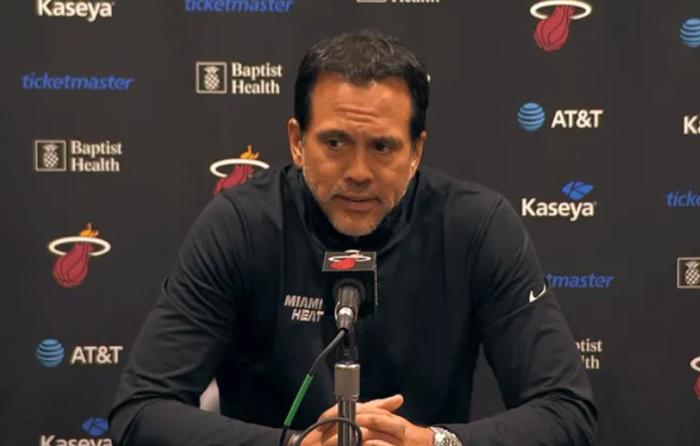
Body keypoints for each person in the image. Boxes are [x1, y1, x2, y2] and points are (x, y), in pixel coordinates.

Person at [108, 29, 598, 446]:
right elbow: (140, 412)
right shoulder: (240, 225)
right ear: (297, 142)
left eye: (382, 147)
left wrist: (433, 443)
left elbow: (567, 412)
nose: (359, 172)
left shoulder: (476, 226)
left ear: (415, 152)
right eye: (335, 143)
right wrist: (293, 445)